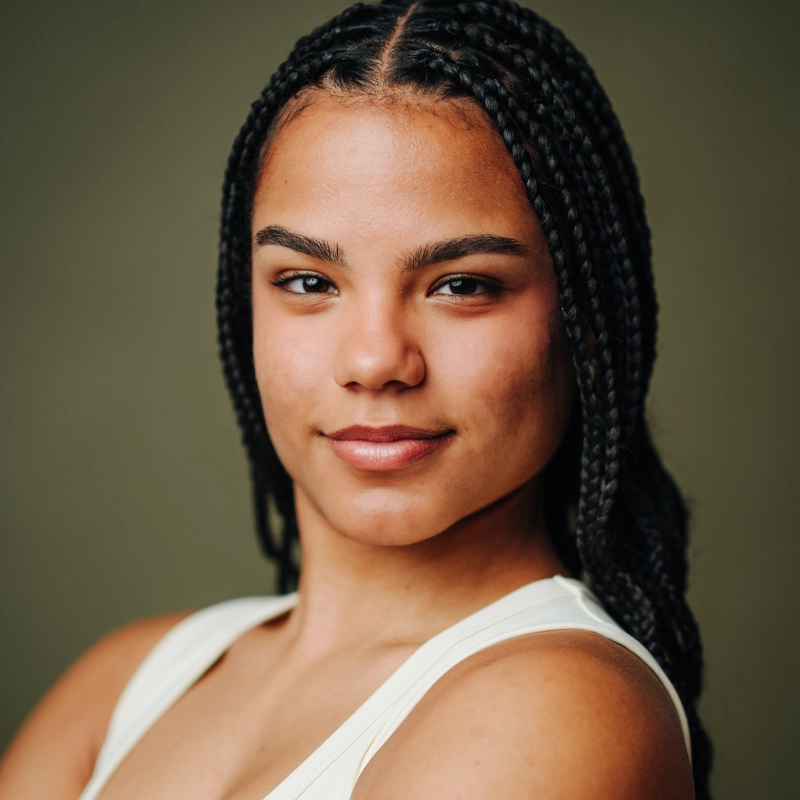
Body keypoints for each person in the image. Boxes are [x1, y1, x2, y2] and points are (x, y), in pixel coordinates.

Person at [0, 0, 712, 797]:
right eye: (308, 282)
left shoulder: (560, 706)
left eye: (462, 285)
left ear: (583, 323)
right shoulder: (128, 679)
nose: (375, 360)